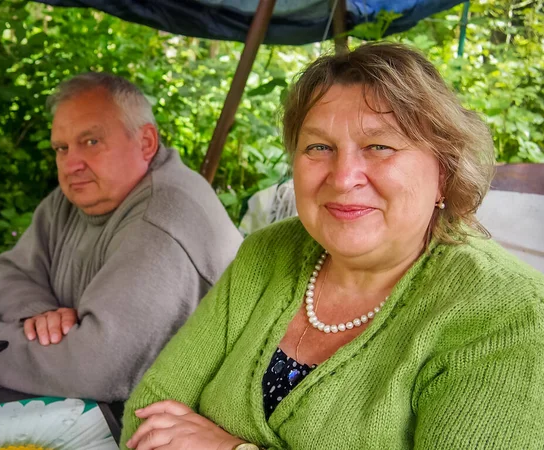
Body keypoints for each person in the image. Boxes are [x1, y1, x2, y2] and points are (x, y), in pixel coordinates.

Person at [120, 42, 544, 450]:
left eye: (379, 146)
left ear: (445, 175)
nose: (343, 178)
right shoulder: (267, 252)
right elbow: (147, 415)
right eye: (319, 147)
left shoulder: (512, 315)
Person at [0, 73, 242, 402]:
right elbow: (11, 273)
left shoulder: (161, 216)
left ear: (146, 143)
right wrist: (39, 316)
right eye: (62, 148)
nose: (72, 164)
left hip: (196, 420)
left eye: (91, 142)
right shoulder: (73, 200)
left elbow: (97, 369)